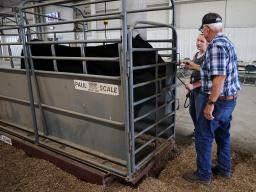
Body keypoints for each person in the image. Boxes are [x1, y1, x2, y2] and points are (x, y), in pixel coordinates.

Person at [183, 12, 241, 184]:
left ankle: (203, 175)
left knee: (203, 136)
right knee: (223, 134)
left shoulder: (215, 45)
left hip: (219, 101)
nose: (203, 34)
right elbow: (215, 72)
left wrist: (210, 103)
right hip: (230, 100)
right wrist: (196, 67)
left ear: (207, 29)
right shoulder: (227, 42)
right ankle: (224, 169)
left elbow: (219, 78)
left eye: (203, 31)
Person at [184, 34, 208, 140]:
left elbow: (209, 77)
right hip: (193, 89)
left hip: (202, 90)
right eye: (197, 40)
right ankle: (197, 130)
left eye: (201, 41)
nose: (198, 43)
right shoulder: (196, 54)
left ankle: (202, 135)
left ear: (207, 43)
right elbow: (193, 70)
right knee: (192, 111)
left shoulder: (208, 56)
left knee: (200, 115)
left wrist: (193, 85)